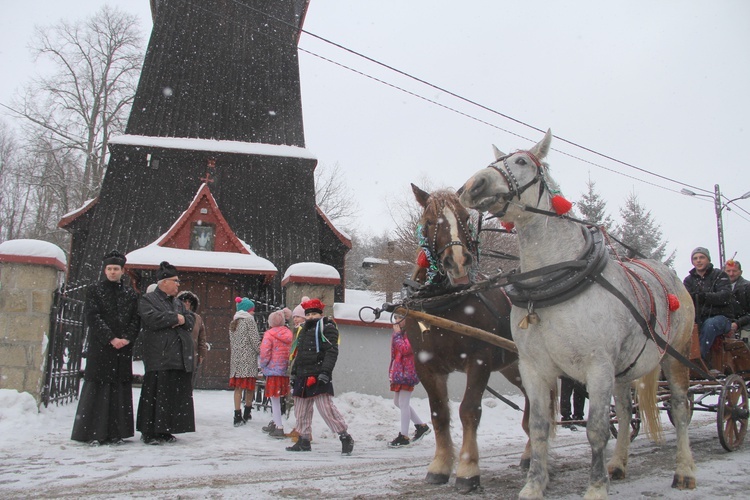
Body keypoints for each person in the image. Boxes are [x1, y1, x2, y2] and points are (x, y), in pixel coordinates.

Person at [71, 250, 140, 446]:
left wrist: (126, 339)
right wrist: (111, 338)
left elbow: (136, 319)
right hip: (101, 348)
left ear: (122, 271)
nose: (112, 272)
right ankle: (94, 431)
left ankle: (116, 432)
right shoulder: (94, 290)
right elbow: (93, 317)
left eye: (115, 269)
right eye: (109, 269)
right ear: (104, 270)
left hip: (122, 351)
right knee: (98, 389)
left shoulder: (130, 294)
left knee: (118, 390)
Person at [136, 261, 196, 445]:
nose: (178, 284)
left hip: (177, 357)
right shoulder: (148, 300)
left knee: (171, 395)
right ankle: (149, 431)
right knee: (155, 394)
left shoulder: (177, 303)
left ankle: (165, 430)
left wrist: (179, 319)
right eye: (175, 281)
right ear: (163, 282)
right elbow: (152, 318)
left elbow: (190, 320)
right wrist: (175, 318)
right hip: (159, 355)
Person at [286, 298, 354, 455]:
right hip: (302, 374)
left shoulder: (327, 327)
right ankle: (303, 439)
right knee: (301, 409)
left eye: (314, 313)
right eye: (308, 314)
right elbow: (299, 354)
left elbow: (331, 351)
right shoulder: (302, 330)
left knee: (326, 409)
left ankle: (344, 436)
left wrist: (325, 371)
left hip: (318, 373)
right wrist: (294, 372)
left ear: (320, 313)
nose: (311, 317)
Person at [683, 247, 733, 362]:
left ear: (708, 260)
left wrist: (704, 297)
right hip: (697, 319)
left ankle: (698, 360)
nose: (698, 261)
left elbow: (725, 296)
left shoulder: (720, 275)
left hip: (722, 318)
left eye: (702, 257)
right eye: (695, 258)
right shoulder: (688, 280)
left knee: (710, 324)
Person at [387, 320, 430, 447]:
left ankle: (404, 436)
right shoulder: (403, 333)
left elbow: (405, 349)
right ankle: (421, 426)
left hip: (408, 371)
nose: (396, 322)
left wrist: (397, 335)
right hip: (401, 371)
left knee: (403, 403)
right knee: (397, 402)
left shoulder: (412, 333)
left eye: (400, 319)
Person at [259, 308, 293, 438]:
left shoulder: (269, 334)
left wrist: (263, 365)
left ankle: (278, 426)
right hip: (284, 370)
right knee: (280, 397)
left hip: (273, 370)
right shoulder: (288, 333)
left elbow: (265, 353)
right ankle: (275, 421)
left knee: (274, 399)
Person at [229, 296, 261, 426]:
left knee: (238, 388)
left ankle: (237, 415)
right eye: (252, 310)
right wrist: (262, 351)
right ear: (248, 310)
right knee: (249, 388)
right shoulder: (250, 322)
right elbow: (255, 341)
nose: (253, 312)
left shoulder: (233, 323)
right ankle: (247, 412)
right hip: (248, 359)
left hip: (236, 361)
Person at [177, 291, 208, 388]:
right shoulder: (175, 316)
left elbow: (202, 338)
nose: (187, 303)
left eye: (189, 302)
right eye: (184, 301)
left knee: (189, 383)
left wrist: (202, 354)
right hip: (176, 354)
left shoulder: (197, 319)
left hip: (192, 354)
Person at [725, 259, 750, 342]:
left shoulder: (747, 287)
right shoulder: (719, 288)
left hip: (746, 326)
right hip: (726, 326)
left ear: (741, 272)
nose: (731, 274)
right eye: (728, 271)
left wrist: (737, 323)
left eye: (734, 271)